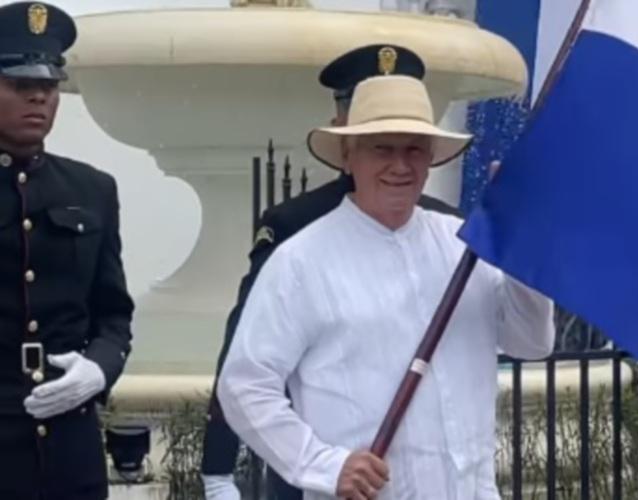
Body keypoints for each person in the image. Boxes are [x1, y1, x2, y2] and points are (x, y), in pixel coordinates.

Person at [217, 72, 555, 499]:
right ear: (348, 156)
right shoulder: (301, 262)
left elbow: (531, 342)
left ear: (430, 158)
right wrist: (323, 464)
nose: (400, 165)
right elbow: (244, 385)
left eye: (414, 149)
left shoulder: (461, 244)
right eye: (382, 148)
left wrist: (522, 248)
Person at [201, 44, 460, 500]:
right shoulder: (297, 227)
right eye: (377, 138)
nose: (398, 162)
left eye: (412, 143)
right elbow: (245, 360)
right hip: (328, 470)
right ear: (343, 130)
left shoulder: (449, 228)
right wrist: (218, 466)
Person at [0, 2, 135, 500]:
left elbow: (113, 314)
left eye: (50, 86)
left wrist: (99, 368)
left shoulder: (92, 189)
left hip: (68, 449)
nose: (39, 96)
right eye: (20, 85)